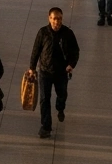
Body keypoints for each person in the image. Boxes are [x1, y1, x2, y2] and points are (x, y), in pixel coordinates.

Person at [27, 8, 79, 138]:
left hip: (61, 72)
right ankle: (46, 126)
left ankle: (60, 107)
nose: (57, 21)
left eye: (60, 18)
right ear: (49, 18)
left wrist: (71, 65)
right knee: (44, 99)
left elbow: (75, 51)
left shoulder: (68, 33)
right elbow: (36, 51)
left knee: (62, 94)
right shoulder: (43, 33)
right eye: (54, 18)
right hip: (45, 71)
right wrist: (32, 68)